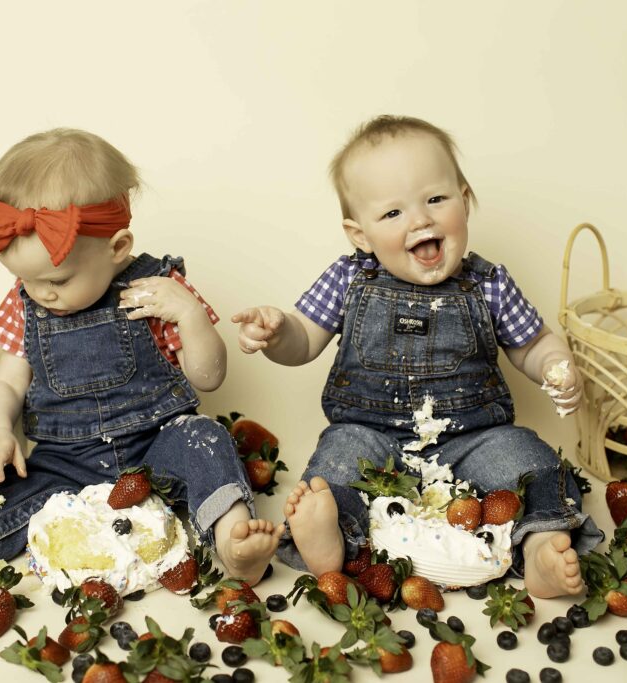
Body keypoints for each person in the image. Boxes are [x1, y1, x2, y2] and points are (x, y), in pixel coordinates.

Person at [0, 128, 281, 605]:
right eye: (24, 279)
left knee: (206, 438)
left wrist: (191, 316)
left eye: (56, 279)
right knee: (10, 491)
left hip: (156, 444)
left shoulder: (156, 290)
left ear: (116, 248)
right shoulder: (25, 304)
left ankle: (234, 541)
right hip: (64, 459)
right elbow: (9, 382)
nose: (41, 293)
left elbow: (209, 377)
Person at [233, 115, 602, 599]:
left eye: (435, 199)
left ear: (465, 201)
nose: (420, 220)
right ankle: (330, 541)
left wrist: (557, 365)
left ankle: (540, 545)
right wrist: (277, 330)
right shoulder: (349, 279)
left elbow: (532, 343)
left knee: (528, 456)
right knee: (336, 464)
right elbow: (304, 339)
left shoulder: (488, 283)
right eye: (392, 214)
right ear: (359, 234)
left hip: (471, 438)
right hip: (370, 434)